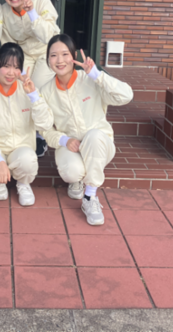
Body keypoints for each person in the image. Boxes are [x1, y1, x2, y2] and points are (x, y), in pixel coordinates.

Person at [40, 34, 133, 226]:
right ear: (48, 60)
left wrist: (98, 75)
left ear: (74, 56)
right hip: (71, 147)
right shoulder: (46, 91)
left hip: (100, 144)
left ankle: (90, 196)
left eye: (65, 54)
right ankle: (77, 179)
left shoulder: (90, 80)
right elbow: (45, 130)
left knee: (94, 135)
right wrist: (64, 140)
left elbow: (126, 96)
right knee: (71, 172)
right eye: (53, 55)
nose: (59, 60)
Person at [0, 43, 54, 206]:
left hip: (20, 148)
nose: (11, 73)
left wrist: (33, 96)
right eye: (6, 66)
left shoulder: (29, 91)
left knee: (28, 160)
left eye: (16, 67)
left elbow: (45, 124)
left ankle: (23, 183)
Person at [1, 0, 60, 157]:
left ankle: (40, 134)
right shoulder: (3, 10)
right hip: (24, 54)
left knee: (37, 88)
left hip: (46, 52)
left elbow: (48, 36)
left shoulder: (42, 2)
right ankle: (23, 131)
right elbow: (7, 40)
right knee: (19, 87)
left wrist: (32, 12)